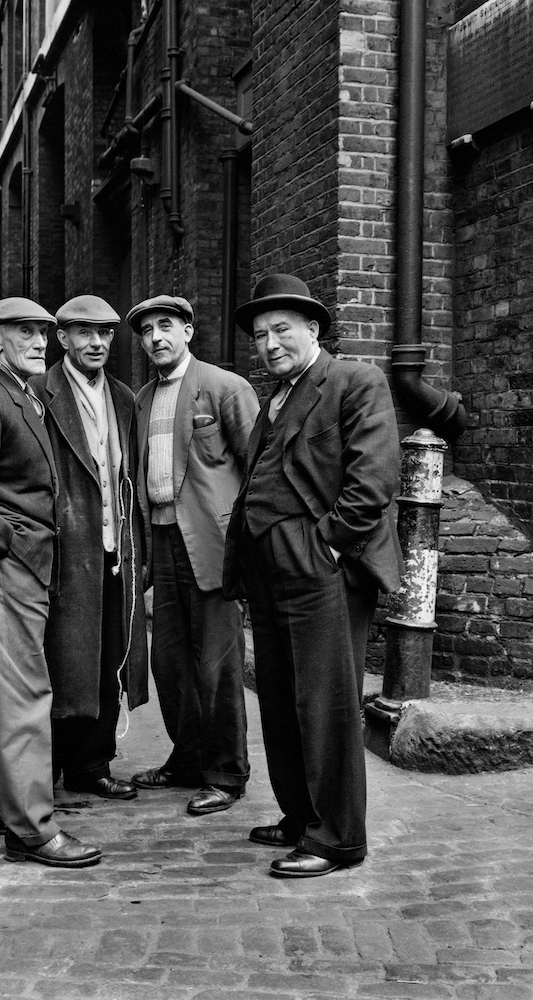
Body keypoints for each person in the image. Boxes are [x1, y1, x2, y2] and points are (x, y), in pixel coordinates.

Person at [224, 273, 404, 877]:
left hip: (320, 568)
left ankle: (339, 837)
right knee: (278, 700)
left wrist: (327, 543)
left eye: (282, 330)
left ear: (313, 330)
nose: (270, 344)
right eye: (260, 335)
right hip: (268, 572)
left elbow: (373, 480)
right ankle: (301, 816)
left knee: (324, 703)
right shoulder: (273, 398)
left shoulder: (354, 382)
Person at [0, 296, 101, 868]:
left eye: (44, 333)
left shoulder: (16, 393)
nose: (40, 342)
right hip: (1, 565)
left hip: (11, 565)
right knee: (25, 694)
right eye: (25, 332)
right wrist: (12, 545)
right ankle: (31, 829)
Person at [127, 294, 259, 815]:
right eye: (146, 331)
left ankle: (227, 773)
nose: (156, 337)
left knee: (219, 665)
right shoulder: (141, 399)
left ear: (187, 331)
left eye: (166, 326)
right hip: (160, 542)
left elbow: (259, 468)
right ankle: (187, 760)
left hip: (212, 544)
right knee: (171, 663)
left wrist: (249, 546)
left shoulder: (226, 387)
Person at [30, 295, 149, 801]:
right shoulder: (38, 392)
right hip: (64, 550)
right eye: (84, 333)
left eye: (105, 334)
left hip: (114, 550)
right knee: (60, 660)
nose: (96, 343)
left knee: (107, 660)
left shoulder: (124, 396)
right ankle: (45, 768)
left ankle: (93, 765)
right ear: (63, 338)